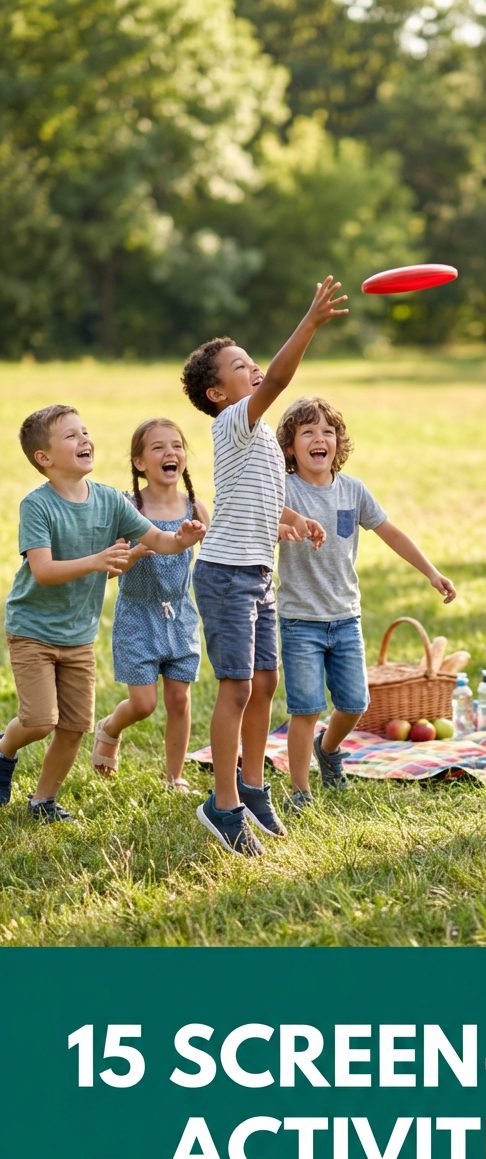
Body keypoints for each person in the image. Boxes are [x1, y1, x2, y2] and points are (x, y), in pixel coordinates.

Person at [181, 276, 347, 857]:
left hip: (257, 574)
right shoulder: (233, 422)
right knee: (236, 689)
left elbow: (252, 499)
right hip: (225, 574)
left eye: (251, 361)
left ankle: (252, 786)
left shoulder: (256, 444)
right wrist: (310, 321)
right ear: (217, 394)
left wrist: (291, 521)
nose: (253, 369)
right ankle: (221, 805)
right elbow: (280, 379)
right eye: (240, 365)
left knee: (266, 684)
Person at [0, 405, 205, 820]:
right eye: (72, 436)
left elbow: (158, 543)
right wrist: (97, 560)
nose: (85, 440)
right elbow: (42, 570)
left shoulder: (111, 500)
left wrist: (182, 539)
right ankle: (3, 750)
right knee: (40, 721)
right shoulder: (37, 506)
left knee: (75, 726)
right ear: (45, 457)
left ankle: (43, 801)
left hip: (79, 634)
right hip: (34, 630)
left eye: (85, 432)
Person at [275, 395, 456, 812]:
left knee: (355, 703)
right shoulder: (284, 491)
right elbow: (262, 520)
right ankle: (299, 791)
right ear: (290, 447)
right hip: (300, 620)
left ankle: (329, 748)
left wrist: (430, 572)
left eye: (328, 432)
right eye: (308, 433)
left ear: (339, 442)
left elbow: (391, 532)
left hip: (345, 619)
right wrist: (285, 528)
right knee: (305, 708)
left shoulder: (353, 490)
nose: (320, 439)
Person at [91, 419, 210, 790]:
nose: (169, 453)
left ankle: (175, 776)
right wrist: (139, 551)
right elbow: (105, 571)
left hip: (180, 614)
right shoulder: (128, 509)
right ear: (139, 462)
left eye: (176, 445)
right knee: (143, 704)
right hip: (137, 615)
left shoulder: (195, 508)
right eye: (158, 447)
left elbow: (217, 558)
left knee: (179, 698)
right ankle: (109, 728)